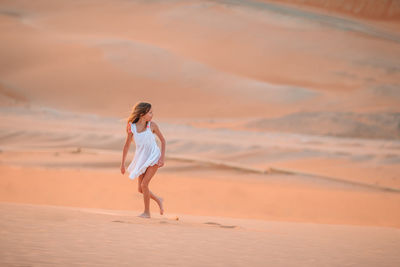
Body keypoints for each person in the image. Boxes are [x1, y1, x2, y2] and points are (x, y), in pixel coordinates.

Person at [120, 101, 166, 218]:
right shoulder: (132, 127)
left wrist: (162, 158)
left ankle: (147, 212)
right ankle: (158, 200)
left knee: (145, 184)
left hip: (154, 156)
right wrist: (123, 164)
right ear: (142, 114)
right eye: (150, 112)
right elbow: (126, 145)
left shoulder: (152, 125)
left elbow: (163, 141)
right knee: (140, 189)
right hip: (142, 158)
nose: (152, 115)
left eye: (152, 112)